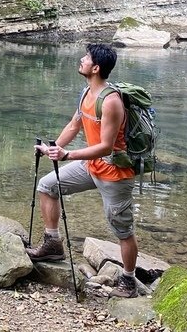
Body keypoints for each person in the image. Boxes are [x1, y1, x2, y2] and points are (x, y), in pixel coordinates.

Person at [26, 43, 140, 298]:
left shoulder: (110, 101)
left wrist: (68, 155)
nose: (81, 59)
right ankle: (53, 244)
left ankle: (129, 281)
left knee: (122, 230)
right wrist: (53, 147)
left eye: (86, 58)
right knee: (48, 185)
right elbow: (74, 124)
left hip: (114, 173)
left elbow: (106, 147)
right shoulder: (86, 92)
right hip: (91, 166)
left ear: (96, 67)